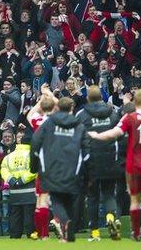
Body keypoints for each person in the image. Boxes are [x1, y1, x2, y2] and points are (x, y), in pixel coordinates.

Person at [88, 89, 141, 242]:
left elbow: (115, 133)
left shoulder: (130, 118)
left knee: (135, 200)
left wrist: (97, 135)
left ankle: (136, 232)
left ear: (135, 102)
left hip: (134, 164)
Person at [31, 97, 89, 243]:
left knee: (54, 200)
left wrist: (34, 165)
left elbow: (35, 142)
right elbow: (86, 149)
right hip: (73, 168)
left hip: (51, 167)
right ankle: (66, 230)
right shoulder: (78, 125)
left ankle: (55, 228)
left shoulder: (48, 123)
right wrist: (87, 173)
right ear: (71, 109)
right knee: (68, 200)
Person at [75, 85, 122, 241]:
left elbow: (77, 137)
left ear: (88, 98)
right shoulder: (113, 114)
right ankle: (110, 217)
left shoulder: (82, 115)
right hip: (110, 159)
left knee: (93, 197)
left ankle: (95, 233)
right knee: (109, 194)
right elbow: (120, 135)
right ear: (101, 98)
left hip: (91, 161)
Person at [26, 84, 57, 240]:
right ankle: (59, 225)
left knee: (41, 200)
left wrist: (41, 99)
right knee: (60, 198)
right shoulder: (60, 120)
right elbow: (62, 105)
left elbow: (30, 114)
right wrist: (49, 94)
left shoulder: (38, 121)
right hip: (59, 163)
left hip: (43, 164)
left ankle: (42, 234)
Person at [0, 134, 36, 239]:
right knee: (29, 215)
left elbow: (3, 169)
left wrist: (11, 180)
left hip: (14, 192)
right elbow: (34, 170)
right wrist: (22, 180)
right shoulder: (31, 154)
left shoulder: (9, 156)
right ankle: (31, 235)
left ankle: (15, 236)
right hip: (29, 191)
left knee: (15, 215)